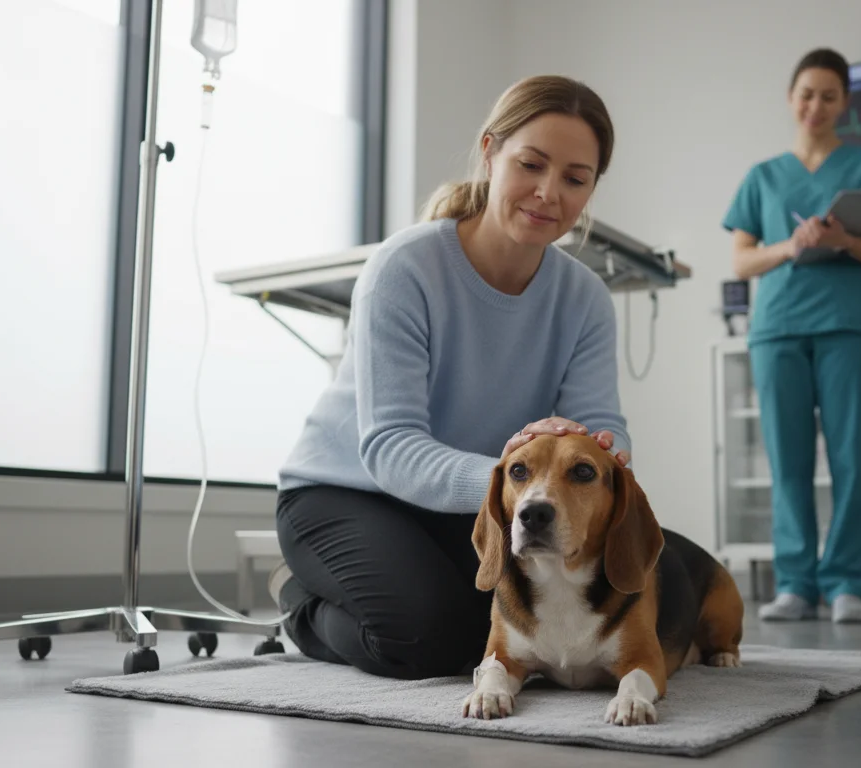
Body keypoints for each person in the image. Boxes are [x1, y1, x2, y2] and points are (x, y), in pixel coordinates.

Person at [270, 75, 632, 680]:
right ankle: (300, 608)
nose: (548, 193)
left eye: (575, 178)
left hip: (470, 502)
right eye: (531, 164)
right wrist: (511, 475)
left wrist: (594, 452)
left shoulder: (586, 298)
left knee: (509, 627)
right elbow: (389, 446)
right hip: (342, 493)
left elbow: (606, 430)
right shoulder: (405, 268)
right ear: (490, 152)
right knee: (429, 638)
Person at [721, 48, 861, 624]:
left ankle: (848, 582)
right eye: (807, 93)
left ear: (845, 102)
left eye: (829, 95)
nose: (816, 105)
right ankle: (797, 583)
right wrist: (793, 245)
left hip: (849, 326)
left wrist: (841, 241)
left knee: (852, 458)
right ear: (790, 97)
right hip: (777, 330)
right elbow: (742, 263)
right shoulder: (762, 176)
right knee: (789, 461)